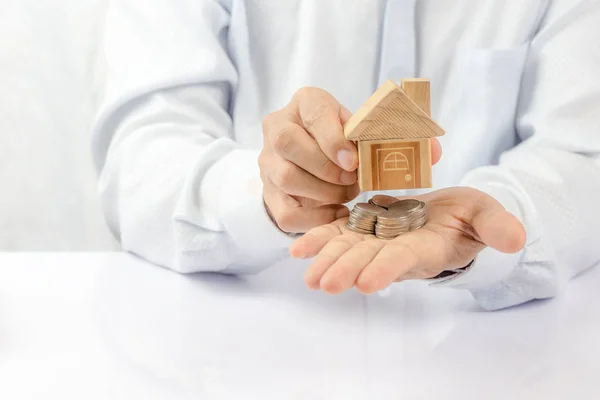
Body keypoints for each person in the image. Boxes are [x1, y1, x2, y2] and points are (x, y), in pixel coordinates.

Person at [91, 0, 600, 311]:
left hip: (493, 352)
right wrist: (263, 193)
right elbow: (140, 158)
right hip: (248, 338)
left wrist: (496, 214)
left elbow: (583, 156)